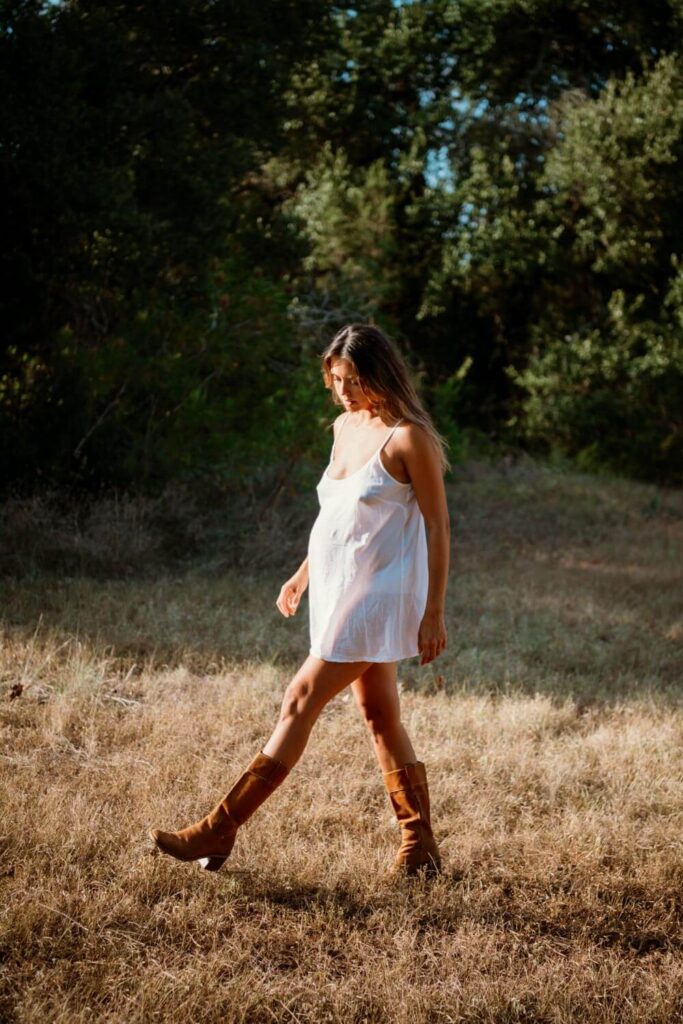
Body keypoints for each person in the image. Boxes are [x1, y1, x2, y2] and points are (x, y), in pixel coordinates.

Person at [149, 323, 451, 877]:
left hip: (382, 593)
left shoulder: (410, 438)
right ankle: (420, 843)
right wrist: (302, 573)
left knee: (300, 696)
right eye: (336, 380)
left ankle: (221, 827)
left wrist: (432, 610)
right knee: (379, 713)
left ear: (381, 373)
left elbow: (437, 525)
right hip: (340, 587)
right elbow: (337, 514)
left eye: (354, 380)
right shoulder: (342, 426)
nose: (343, 392)